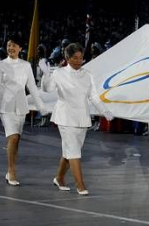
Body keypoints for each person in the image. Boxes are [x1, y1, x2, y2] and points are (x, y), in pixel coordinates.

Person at [39, 42, 114, 195]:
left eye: (81, 58)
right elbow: (48, 89)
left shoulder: (87, 75)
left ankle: (59, 178)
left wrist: (105, 111)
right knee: (74, 152)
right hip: (65, 117)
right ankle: (81, 185)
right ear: (67, 58)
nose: (79, 61)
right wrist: (46, 76)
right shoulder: (59, 73)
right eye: (75, 58)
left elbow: (93, 96)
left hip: (82, 117)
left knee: (70, 152)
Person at [0, 35, 47, 186]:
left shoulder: (26, 65)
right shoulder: (0, 65)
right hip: (5, 105)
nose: (11, 48)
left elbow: (32, 87)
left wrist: (41, 106)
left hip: (21, 106)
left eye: (14, 45)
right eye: (9, 45)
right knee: (13, 137)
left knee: (16, 139)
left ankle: (10, 169)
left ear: (20, 48)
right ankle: (11, 170)